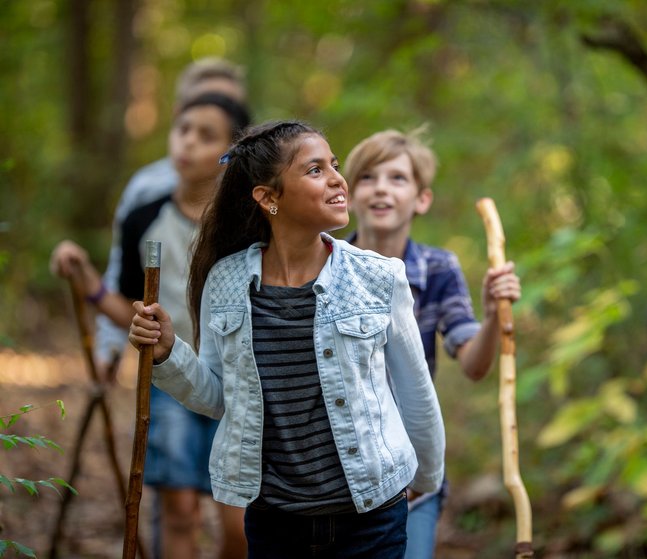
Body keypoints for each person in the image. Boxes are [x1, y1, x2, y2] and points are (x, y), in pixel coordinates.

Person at [126, 120, 446, 559]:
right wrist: (168, 353)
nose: (338, 179)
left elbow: (416, 392)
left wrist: (425, 482)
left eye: (334, 165)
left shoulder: (378, 277)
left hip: (372, 515)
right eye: (315, 170)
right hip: (275, 520)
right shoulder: (227, 281)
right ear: (269, 197)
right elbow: (220, 397)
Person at [51, 93, 252, 559]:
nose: (187, 143)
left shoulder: (249, 226)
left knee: (239, 525)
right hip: (168, 379)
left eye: (207, 136)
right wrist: (87, 282)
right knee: (178, 510)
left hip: (242, 383)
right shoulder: (145, 217)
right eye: (183, 130)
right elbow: (129, 308)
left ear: (232, 152)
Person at [342, 128, 522, 559]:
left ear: (421, 199)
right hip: (341, 471)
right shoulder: (327, 265)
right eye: (368, 177)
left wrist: (494, 313)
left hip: (412, 472)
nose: (382, 188)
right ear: (348, 196)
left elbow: (474, 365)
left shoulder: (439, 268)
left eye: (397, 178)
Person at [95, 57, 248, 364]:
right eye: (186, 126)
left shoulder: (251, 211)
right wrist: (108, 349)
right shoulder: (145, 193)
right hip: (170, 366)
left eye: (225, 105)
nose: (190, 142)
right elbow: (121, 278)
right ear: (178, 113)